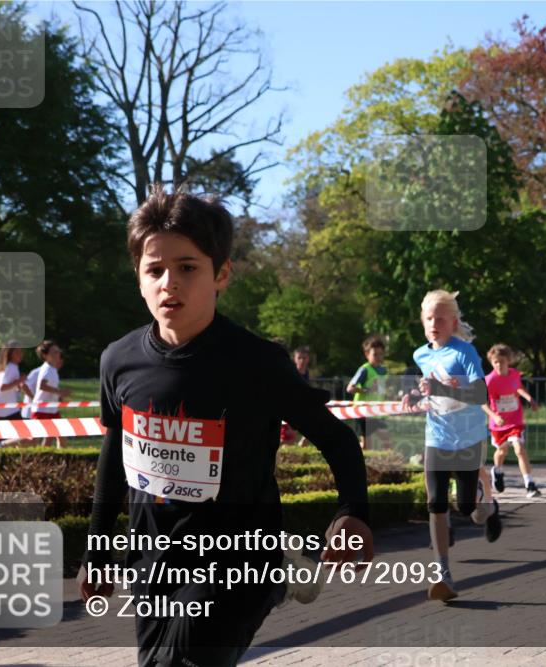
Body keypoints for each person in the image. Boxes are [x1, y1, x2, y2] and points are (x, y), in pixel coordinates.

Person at [77, 184, 373, 667]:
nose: (169, 282)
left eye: (187, 268)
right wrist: (97, 548)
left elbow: (336, 438)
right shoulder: (119, 361)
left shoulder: (256, 363)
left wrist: (353, 510)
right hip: (154, 559)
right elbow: (115, 456)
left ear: (222, 274)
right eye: (155, 270)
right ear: (139, 278)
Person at [401, 289, 502, 603]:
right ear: (422, 321)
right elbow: (430, 391)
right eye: (429, 318)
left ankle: (488, 505)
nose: (434, 323)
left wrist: (441, 387)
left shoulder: (464, 353)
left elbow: (478, 396)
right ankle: (442, 574)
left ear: (453, 321)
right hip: (437, 438)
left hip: (469, 439)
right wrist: (416, 397)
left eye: (441, 318)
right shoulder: (421, 354)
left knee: (468, 510)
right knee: (436, 503)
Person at [485, 344, 541, 498]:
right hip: (499, 423)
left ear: (508, 361)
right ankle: (497, 470)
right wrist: (494, 416)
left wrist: (530, 399)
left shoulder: (514, 374)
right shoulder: (489, 380)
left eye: (502, 361)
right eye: (495, 362)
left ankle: (529, 484)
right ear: (491, 362)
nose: (498, 365)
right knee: (502, 451)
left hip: (515, 420)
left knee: (519, 449)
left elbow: (518, 388)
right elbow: (481, 403)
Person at [0, 340, 30, 447]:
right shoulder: (12, 367)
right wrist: (20, 381)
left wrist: (18, 385)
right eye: (17, 352)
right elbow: (2, 388)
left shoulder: (8, 367)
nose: (21, 354)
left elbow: (6, 386)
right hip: (4, 410)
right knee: (27, 437)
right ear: (10, 354)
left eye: (21, 351)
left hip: (1, 409)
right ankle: (0, 445)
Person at [346, 335, 391, 449]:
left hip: (377, 412)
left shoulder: (384, 370)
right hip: (363, 412)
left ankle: (391, 464)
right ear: (367, 355)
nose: (378, 357)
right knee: (366, 446)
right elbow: (350, 388)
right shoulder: (364, 370)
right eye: (375, 354)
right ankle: (351, 457)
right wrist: (366, 390)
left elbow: (382, 389)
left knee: (387, 442)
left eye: (381, 354)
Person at [30, 340, 72, 449]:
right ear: (45, 355)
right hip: (41, 410)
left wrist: (58, 397)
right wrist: (60, 392)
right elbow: (42, 386)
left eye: (58, 351)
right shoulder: (47, 369)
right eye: (54, 352)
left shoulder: (52, 369)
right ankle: (2, 444)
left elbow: (50, 387)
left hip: (52, 410)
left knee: (59, 436)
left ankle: (60, 461)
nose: (58, 354)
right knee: (32, 440)